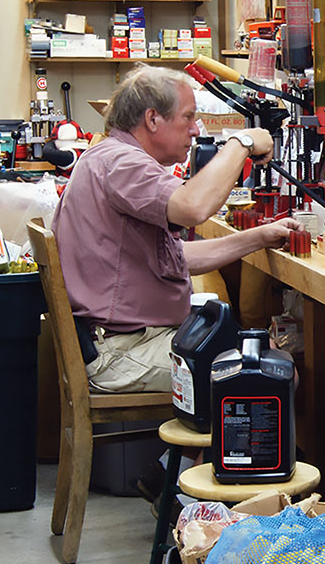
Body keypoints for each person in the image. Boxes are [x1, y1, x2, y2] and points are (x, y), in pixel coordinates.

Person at [52, 64, 303, 393]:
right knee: (273, 374)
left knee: (264, 354)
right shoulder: (123, 164)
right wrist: (241, 143)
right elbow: (193, 208)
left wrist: (258, 237)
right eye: (188, 117)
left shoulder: (110, 157)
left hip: (132, 339)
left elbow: (174, 256)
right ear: (153, 119)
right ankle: (209, 447)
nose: (196, 129)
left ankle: (203, 447)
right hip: (123, 352)